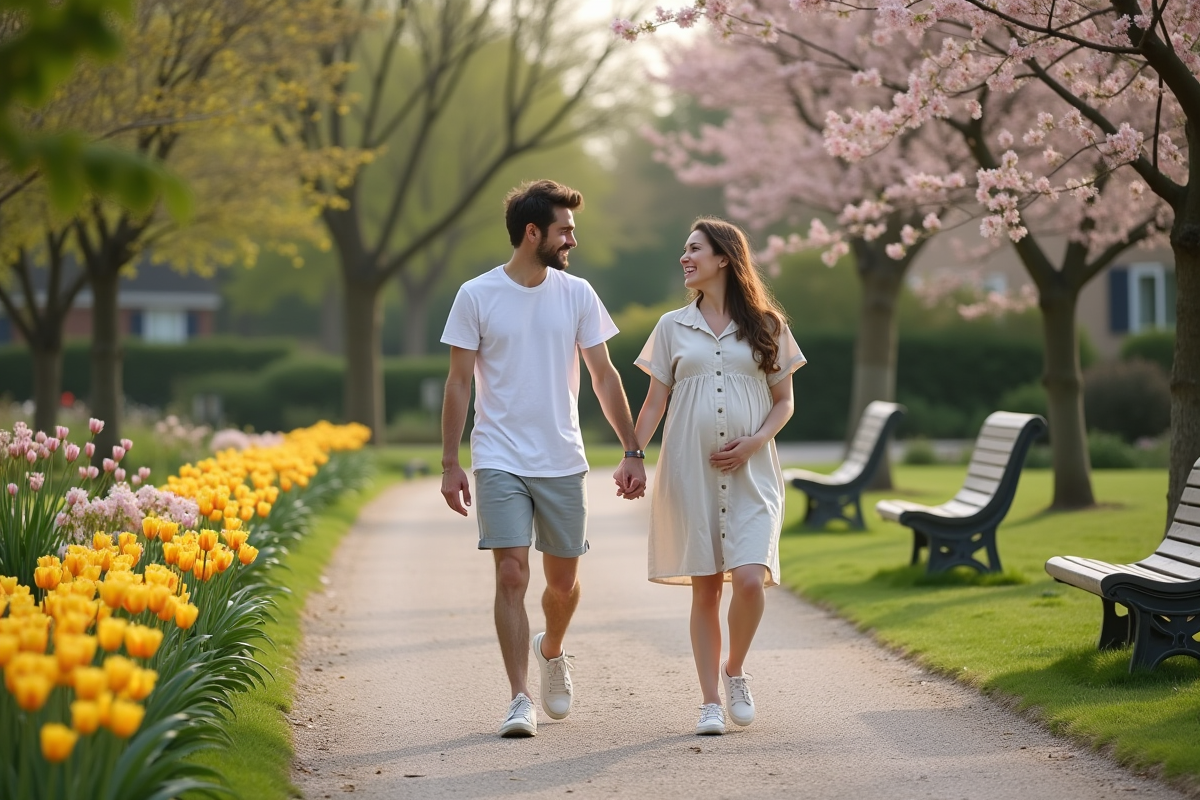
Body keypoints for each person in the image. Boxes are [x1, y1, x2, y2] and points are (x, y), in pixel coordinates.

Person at [439, 179, 647, 738]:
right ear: (533, 233)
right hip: (499, 455)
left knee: (562, 583)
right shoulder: (476, 295)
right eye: (564, 230)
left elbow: (604, 376)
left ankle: (551, 648)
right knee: (511, 573)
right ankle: (518, 698)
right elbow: (459, 383)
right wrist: (450, 463)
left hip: (561, 457)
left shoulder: (576, 294)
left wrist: (632, 449)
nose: (571, 240)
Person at [631, 217, 805, 736]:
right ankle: (709, 701)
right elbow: (654, 401)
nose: (685, 258)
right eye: (684, 250)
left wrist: (754, 442)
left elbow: (785, 402)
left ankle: (734, 671)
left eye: (694, 250)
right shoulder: (670, 327)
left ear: (725, 257)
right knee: (705, 590)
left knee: (750, 581)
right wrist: (631, 453)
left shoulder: (769, 325)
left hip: (754, 474)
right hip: (691, 473)